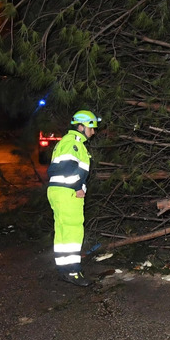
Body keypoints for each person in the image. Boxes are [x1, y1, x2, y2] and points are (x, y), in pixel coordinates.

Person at [46, 109, 100, 286]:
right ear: (82, 126)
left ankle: (64, 270)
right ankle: (73, 272)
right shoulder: (74, 143)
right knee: (73, 232)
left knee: (63, 233)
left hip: (58, 192)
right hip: (67, 193)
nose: (94, 131)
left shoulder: (67, 141)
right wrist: (77, 187)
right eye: (92, 127)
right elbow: (66, 169)